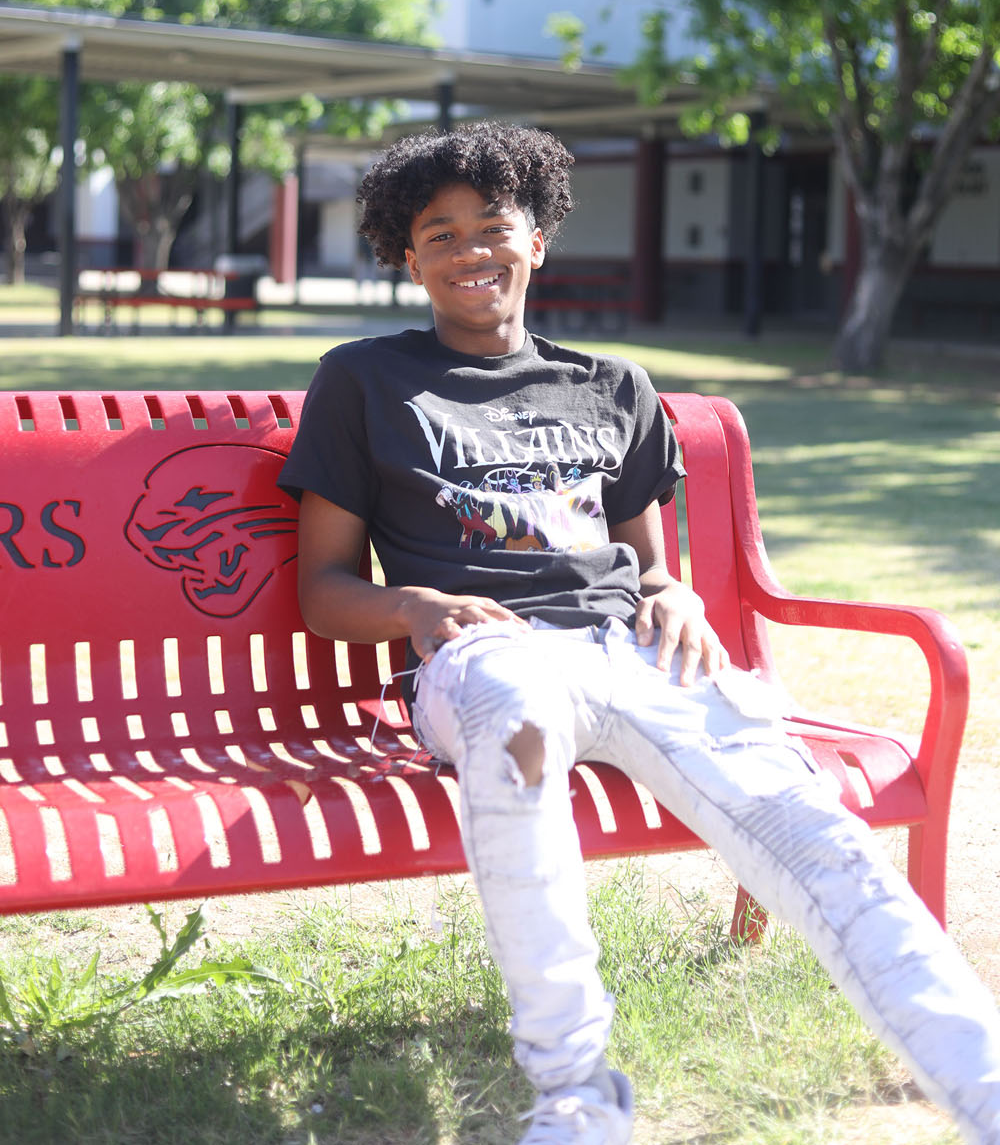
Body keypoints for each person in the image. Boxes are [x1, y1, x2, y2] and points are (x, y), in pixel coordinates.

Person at [280, 121, 1000, 1145]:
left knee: (812, 834)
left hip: (637, 656)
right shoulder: (365, 380)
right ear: (407, 258)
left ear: (538, 239)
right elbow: (323, 590)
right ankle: (575, 1096)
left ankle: (981, 1087)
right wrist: (414, 609)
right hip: (484, 658)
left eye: (493, 224)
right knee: (520, 736)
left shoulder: (611, 385)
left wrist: (676, 595)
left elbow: (645, 564)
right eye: (438, 235)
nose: (469, 249)